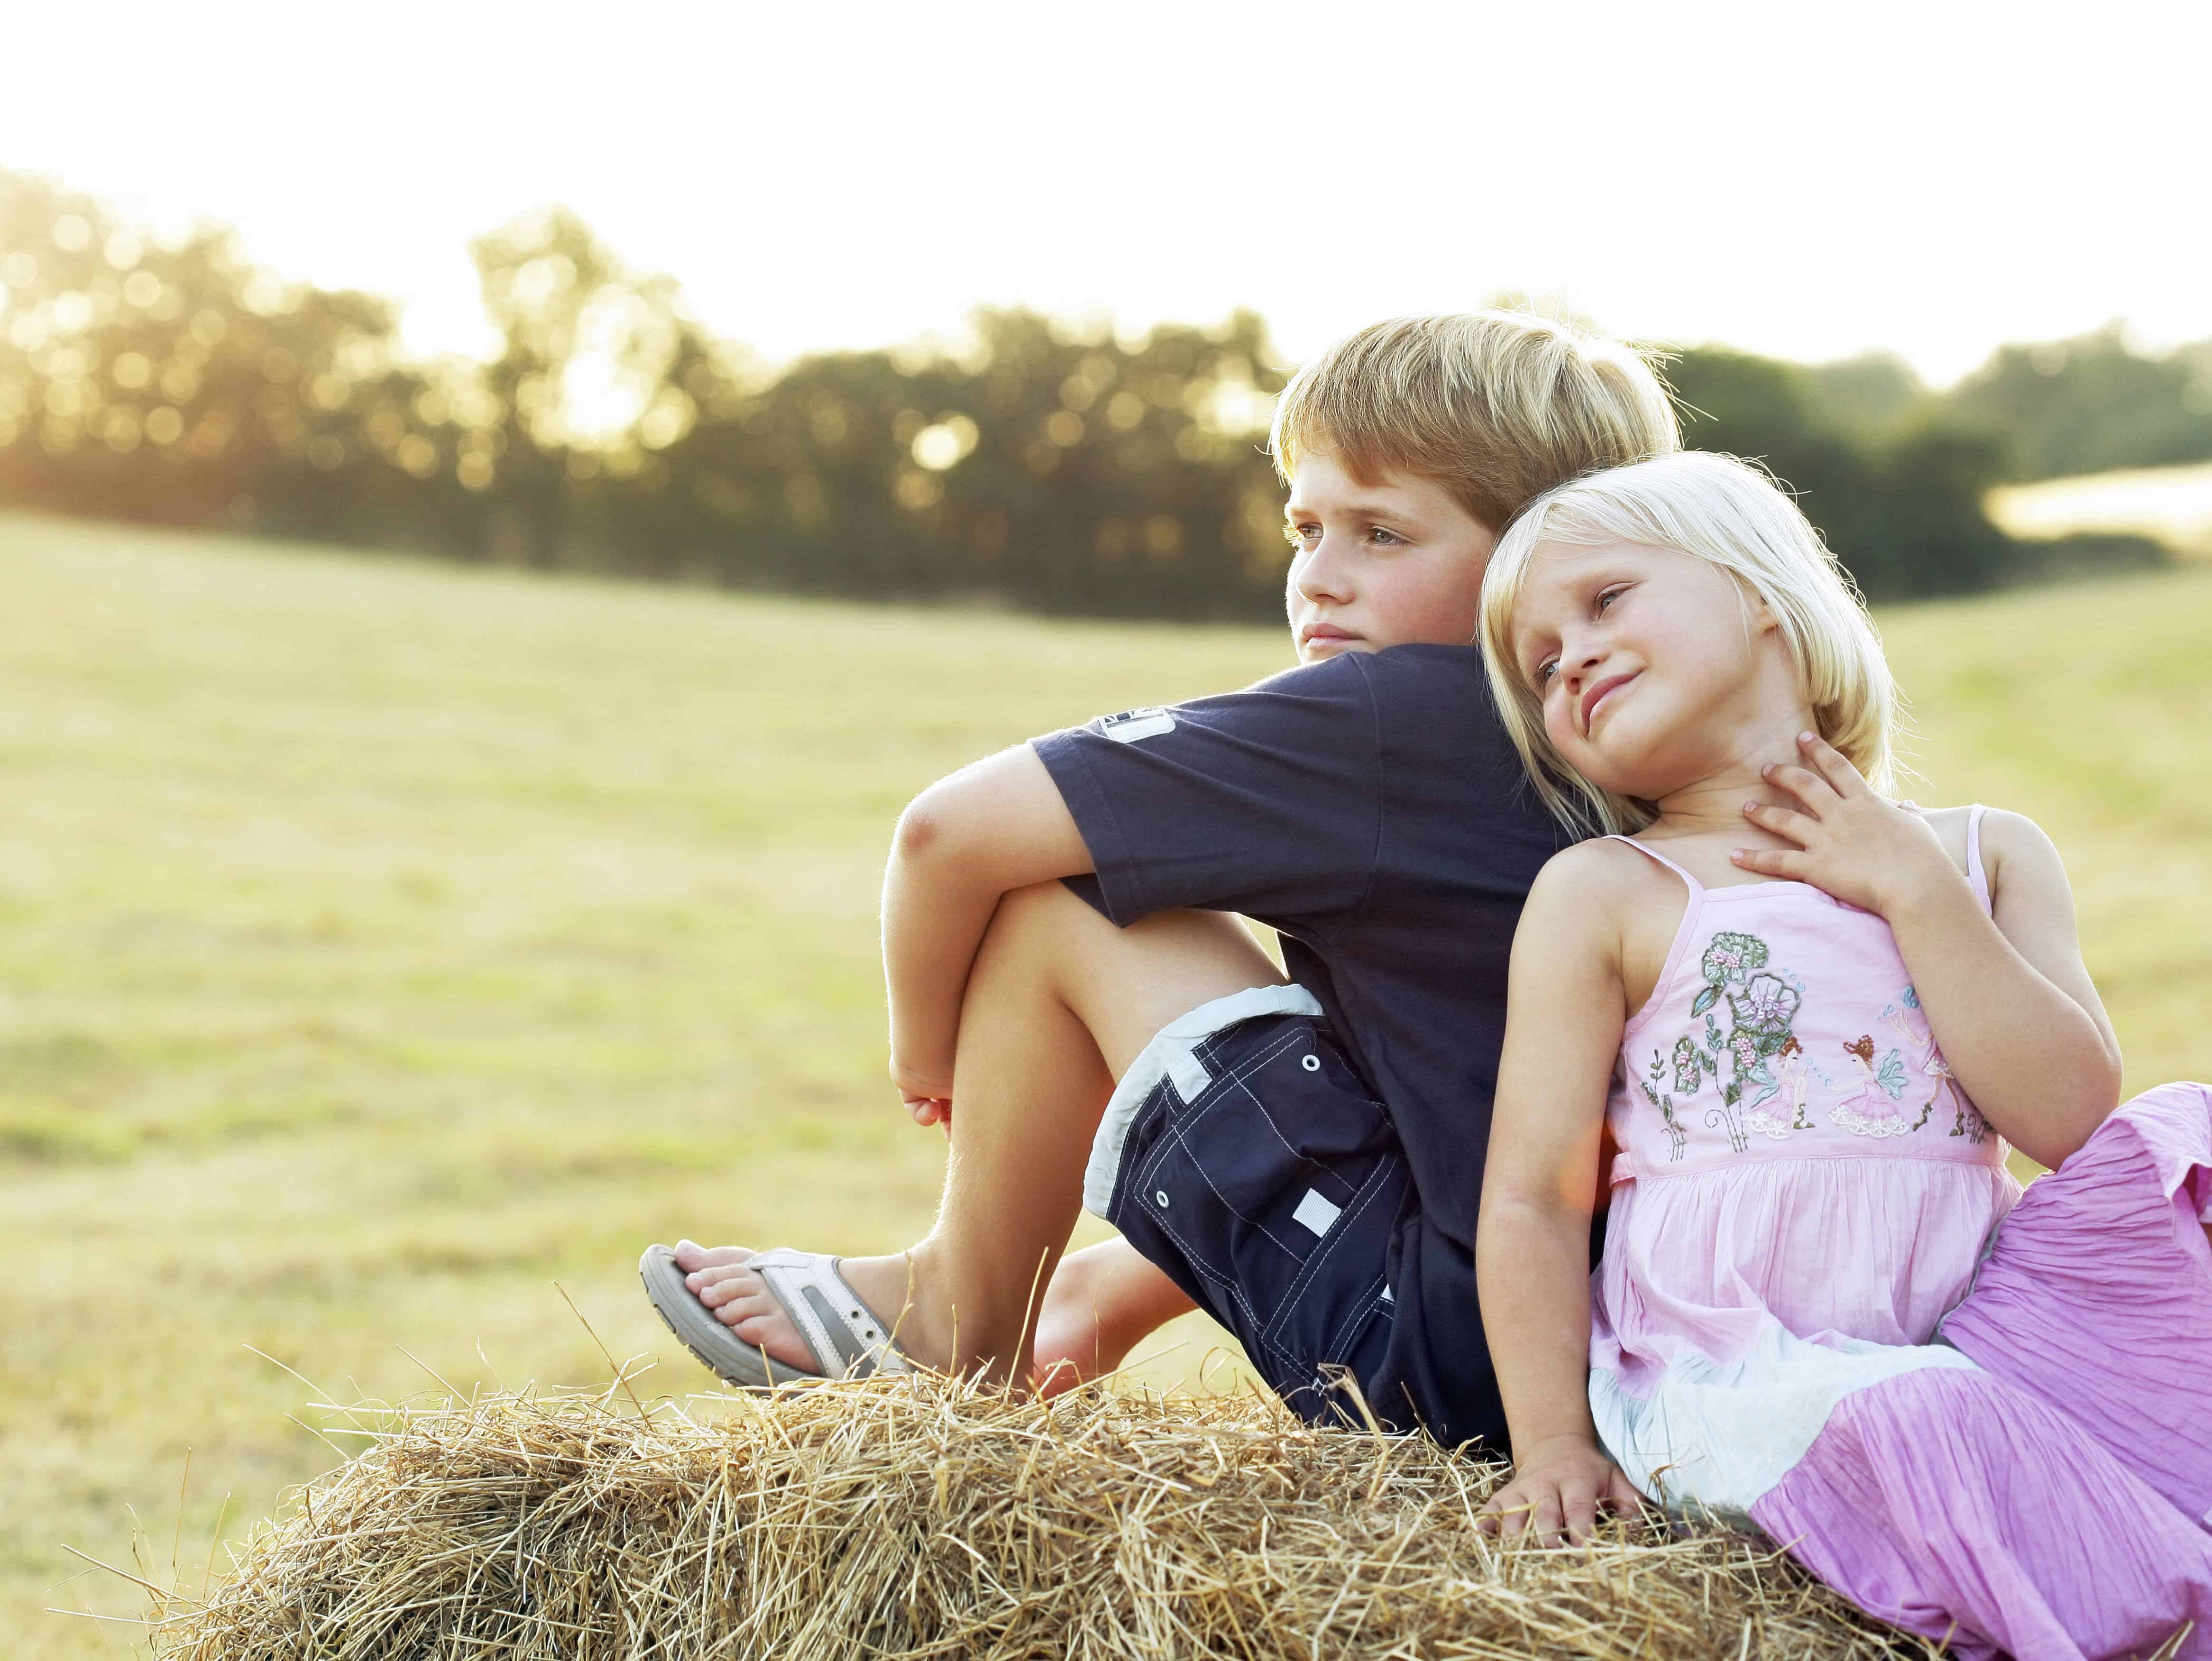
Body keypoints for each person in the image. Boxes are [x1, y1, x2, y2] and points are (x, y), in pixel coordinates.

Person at [641, 311, 1678, 1449]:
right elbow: (1439, 1096)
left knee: (1065, 895)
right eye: (1305, 527)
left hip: (1438, 1371)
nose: (1320, 579)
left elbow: (947, 835)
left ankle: (957, 1320)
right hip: (1629, 1354)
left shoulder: (1397, 714)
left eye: (1381, 535)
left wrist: (927, 1059)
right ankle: (1082, 1299)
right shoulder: (1630, 739)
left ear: (1541, 559)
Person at [1472, 450, 2212, 1658]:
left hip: (1978, 1341)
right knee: (1919, 1410)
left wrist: (1913, 890)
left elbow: (2074, 1119)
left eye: (1604, 601)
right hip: (1729, 1379)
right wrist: (1553, 1443)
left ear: (1760, 592)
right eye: (1541, 667)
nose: (1572, 662)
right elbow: (1532, 1198)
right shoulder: (1605, 893)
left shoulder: (1981, 855)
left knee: (2192, 1135)